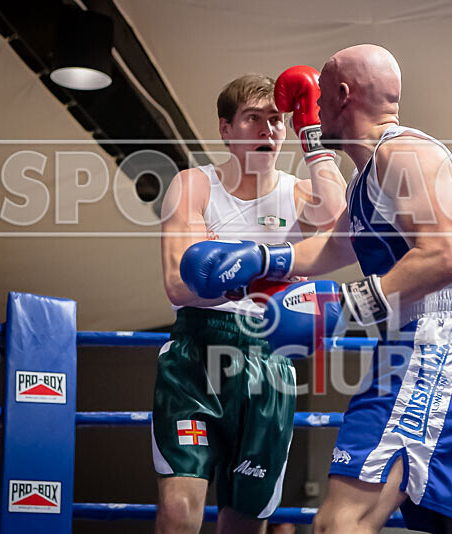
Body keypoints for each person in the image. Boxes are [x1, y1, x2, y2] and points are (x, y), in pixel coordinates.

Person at [180, 45, 452, 534]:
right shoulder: (371, 172)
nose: (310, 109)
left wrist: (348, 304)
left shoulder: (405, 154)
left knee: (339, 522)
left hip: (434, 342)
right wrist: (260, 259)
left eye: (321, 91)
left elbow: (445, 256)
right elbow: (332, 248)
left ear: (340, 93)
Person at [154, 71, 346, 534]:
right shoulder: (194, 185)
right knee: (179, 511)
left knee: (245, 522)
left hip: (267, 362)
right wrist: (271, 273)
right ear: (225, 129)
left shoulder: (299, 194)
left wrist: (312, 129)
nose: (268, 130)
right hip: (195, 357)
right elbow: (180, 284)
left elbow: (342, 219)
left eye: (277, 120)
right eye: (253, 118)